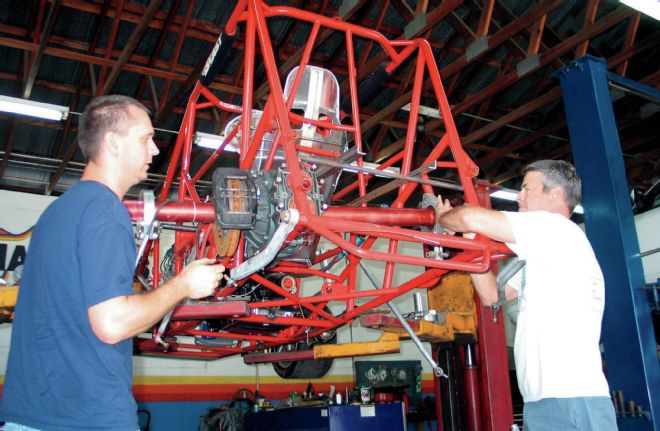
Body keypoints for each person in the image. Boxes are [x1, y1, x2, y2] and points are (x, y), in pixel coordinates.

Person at [0, 95, 225, 431]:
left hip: (32, 417)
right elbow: (112, 323)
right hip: (85, 420)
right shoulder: (105, 211)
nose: (155, 150)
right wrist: (183, 286)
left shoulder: (56, 213)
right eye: (146, 138)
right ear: (113, 143)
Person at [437, 160, 617, 431]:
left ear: (555, 194)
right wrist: (468, 239)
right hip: (539, 400)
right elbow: (490, 296)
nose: (519, 196)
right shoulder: (542, 260)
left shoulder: (556, 228)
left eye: (526, 189)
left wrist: (441, 218)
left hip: (575, 397)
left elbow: (467, 217)